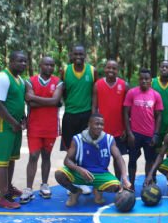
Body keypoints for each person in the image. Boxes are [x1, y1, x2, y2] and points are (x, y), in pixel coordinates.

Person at [55, 114, 131, 206]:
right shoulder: (77, 139)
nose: (99, 127)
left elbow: (119, 158)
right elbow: (67, 160)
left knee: (115, 187)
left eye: (102, 124)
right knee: (59, 174)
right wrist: (79, 169)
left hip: (101, 174)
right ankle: (75, 192)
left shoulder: (109, 139)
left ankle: (98, 190)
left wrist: (124, 177)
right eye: (96, 124)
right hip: (82, 173)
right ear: (89, 124)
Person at [20, 56, 64, 204]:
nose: (49, 67)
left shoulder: (58, 82)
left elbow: (35, 101)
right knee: (33, 156)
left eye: (52, 65)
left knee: (46, 155)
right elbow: (31, 103)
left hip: (51, 126)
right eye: (46, 64)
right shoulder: (29, 81)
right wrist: (52, 102)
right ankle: (28, 189)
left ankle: (44, 185)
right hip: (34, 126)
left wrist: (34, 98)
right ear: (40, 65)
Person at [0, 51, 27, 209]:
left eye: (25, 62)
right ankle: (3, 196)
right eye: (19, 61)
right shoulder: (2, 78)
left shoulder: (20, 80)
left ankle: (8, 188)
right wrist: (14, 122)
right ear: (10, 61)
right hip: (2, 125)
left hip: (14, 125)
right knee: (1, 160)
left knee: (10, 158)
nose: (23, 64)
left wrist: (23, 118)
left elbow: (17, 102)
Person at [61, 44, 98, 195]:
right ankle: (74, 181)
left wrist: (93, 116)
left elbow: (95, 92)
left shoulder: (92, 70)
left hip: (86, 116)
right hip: (70, 115)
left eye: (81, 54)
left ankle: (85, 181)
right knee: (71, 150)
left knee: (86, 150)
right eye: (75, 54)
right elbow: (62, 91)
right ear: (71, 54)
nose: (78, 56)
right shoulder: (65, 70)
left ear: (85, 55)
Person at [123, 68, 163, 191]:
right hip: (134, 134)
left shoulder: (156, 95)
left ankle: (148, 183)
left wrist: (156, 134)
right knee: (132, 159)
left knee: (149, 159)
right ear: (138, 79)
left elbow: (159, 116)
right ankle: (132, 185)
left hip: (150, 134)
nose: (144, 81)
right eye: (141, 79)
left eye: (147, 79)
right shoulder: (131, 93)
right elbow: (125, 113)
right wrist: (129, 132)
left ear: (151, 80)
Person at [92, 59, 129, 180]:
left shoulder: (124, 85)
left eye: (114, 68)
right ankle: (99, 185)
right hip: (102, 131)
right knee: (100, 159)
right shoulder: (98, 84)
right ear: (104, 69)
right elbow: (94, 107)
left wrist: (126, 128)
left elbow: (128, 110)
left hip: (119, 130)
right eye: (109, 67)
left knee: (117, 158)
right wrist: (94, 127)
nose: (111, 70)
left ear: (118, 70)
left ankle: (119, 183)